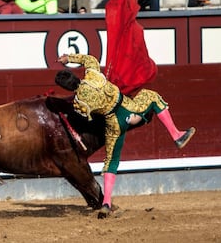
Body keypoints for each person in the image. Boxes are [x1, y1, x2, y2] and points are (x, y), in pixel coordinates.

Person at [55, 53, 196, 218]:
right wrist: (68, 59)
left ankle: (106, 202)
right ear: (74, 75)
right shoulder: (92, 74)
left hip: (113, 123)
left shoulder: (79, 102)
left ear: (66, 88)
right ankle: (176, 135)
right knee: (152, 97)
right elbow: (90, 60)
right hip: (127, 107)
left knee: (111, 160)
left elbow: (87, 117)